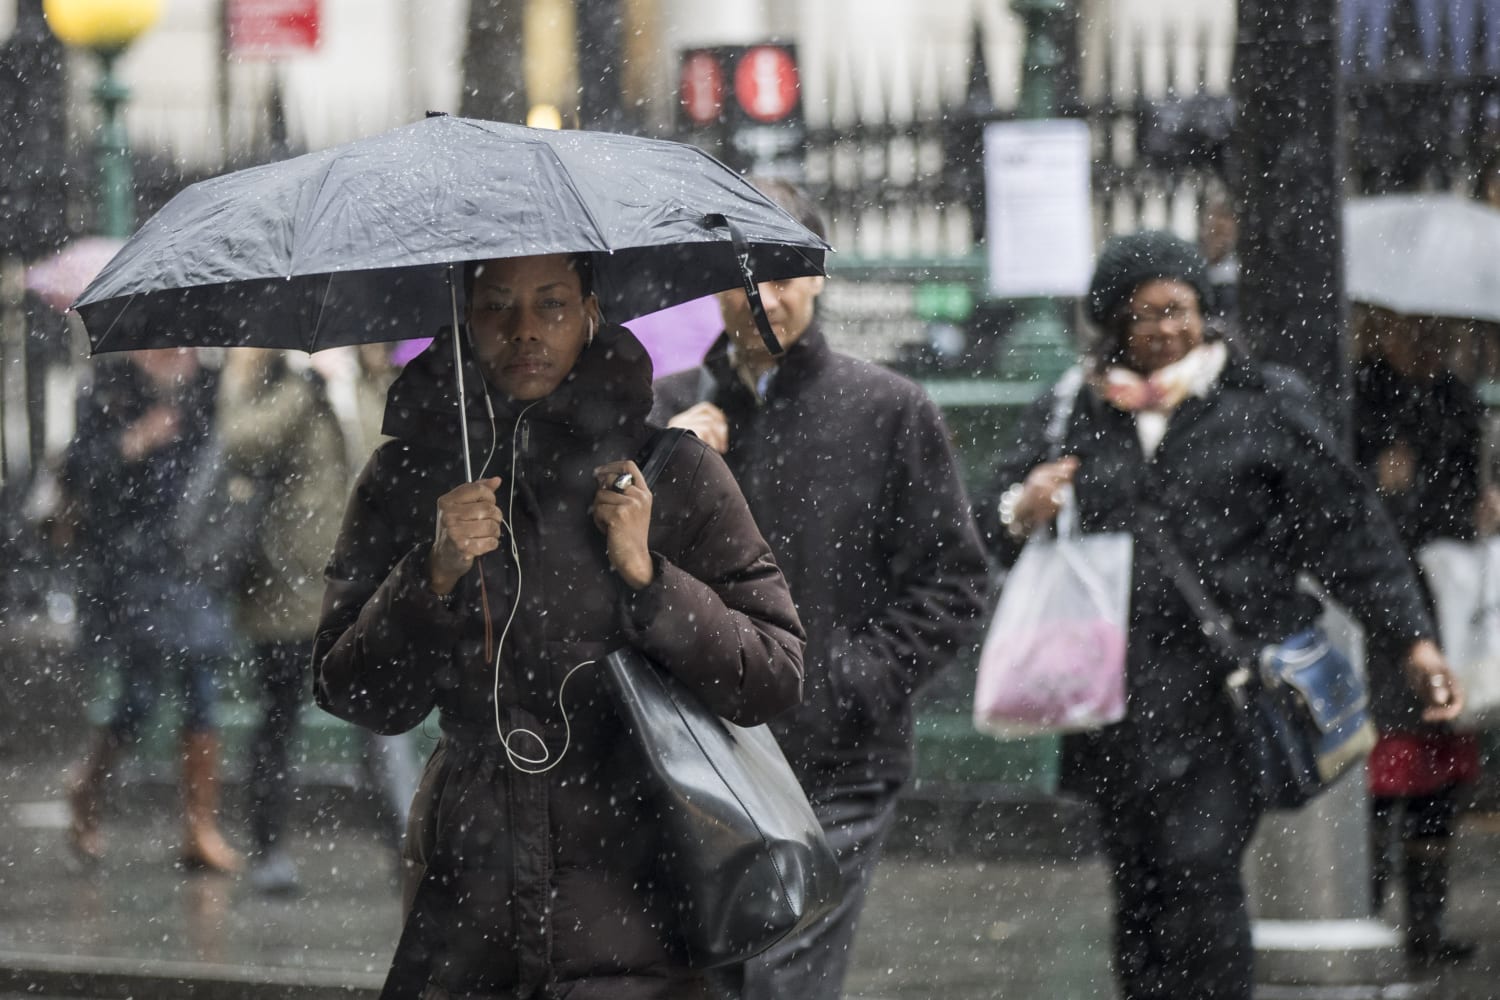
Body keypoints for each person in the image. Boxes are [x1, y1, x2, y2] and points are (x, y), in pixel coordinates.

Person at [975, 230, 1464, 1000]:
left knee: (1201, 873)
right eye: (1148, 314)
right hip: (1115, 703)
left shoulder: (1262, 405)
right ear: (1113, 322)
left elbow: (1351, 534)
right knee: (1139, 889)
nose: (1169, 329)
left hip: (1225, 696)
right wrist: (1022, 507)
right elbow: (988, 527)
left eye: (1184, 309)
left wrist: (1414, 644)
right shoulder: (1070, 410)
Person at [312, 251, 806, 999]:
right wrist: (432, 574)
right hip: (469, 917)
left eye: (551, 305)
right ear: (462, 321)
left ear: (591, 314)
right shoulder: (407, 480)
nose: (524, 332)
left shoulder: (671, 473)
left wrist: (650, 579)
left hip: (643, 908)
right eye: (497, 307)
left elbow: (772, 674)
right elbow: (357, 691)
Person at [652, 180, 988, 1000]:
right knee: (712, 978)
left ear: (818, 279)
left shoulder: (887, 411)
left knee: (780, 975)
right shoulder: (665, 411)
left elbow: (955, 583)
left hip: (836, 759)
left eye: (784, 271)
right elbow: (618, 569)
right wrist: (664, 463)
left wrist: (850, 681)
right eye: (741, 273)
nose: (762, 296)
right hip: (701, 755)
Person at [62, 348, 241, 873]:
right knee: (139, 698)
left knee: (201, 689)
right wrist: (134, 442)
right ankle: (87, 789)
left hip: (196, 561)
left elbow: (229, 460)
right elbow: (80, 471)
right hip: (135, 567)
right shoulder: (109, 387)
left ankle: (198, 826)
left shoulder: (211, 384)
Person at [1352, 306, 1490, 965]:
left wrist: (1481, 506)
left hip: (1451, 605)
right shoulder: (1363, 398)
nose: (1430, 341)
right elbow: (1358, 524)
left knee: (1438, 782)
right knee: (1385, 776)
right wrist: (1389, 490)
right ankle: (1373, 915)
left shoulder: (1456, 400)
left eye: (1441, 330)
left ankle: (1426, 929)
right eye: (1414, 328)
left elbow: (1461, 503)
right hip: (1390, 615)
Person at [216, 349, 349, 894]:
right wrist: (304, 386)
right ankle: (268, 846)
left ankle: (407, 845)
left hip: (347, 583)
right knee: (279, 719)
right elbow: (239, 441)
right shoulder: (270, 380)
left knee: (378, 720)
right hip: (284, 589)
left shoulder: (356, 382)